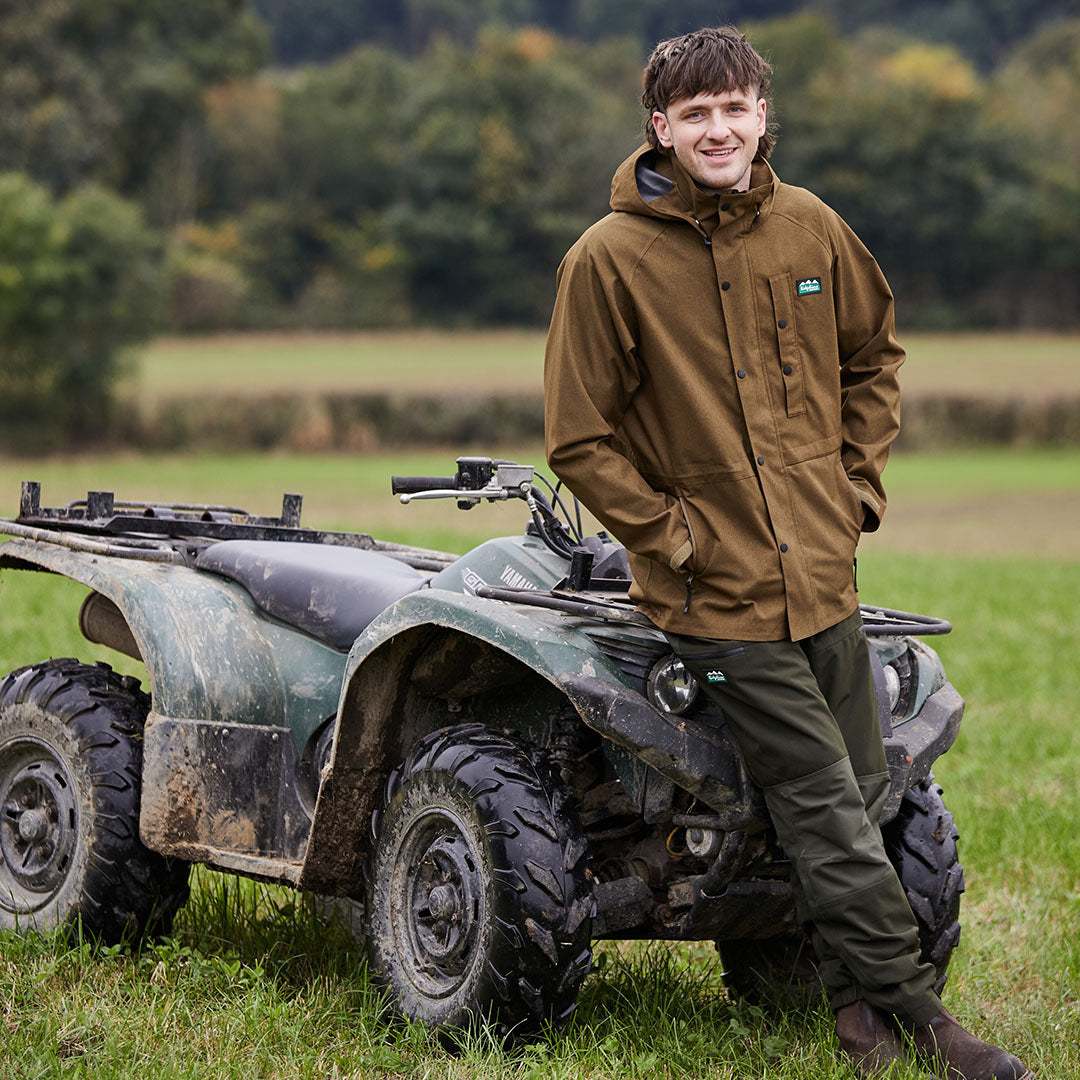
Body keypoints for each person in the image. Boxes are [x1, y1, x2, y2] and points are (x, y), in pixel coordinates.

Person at [544, 26, 1032, 1080]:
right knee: (821, 794)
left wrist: (854, 489)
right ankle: (927, 1022)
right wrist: (675, 538)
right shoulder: (606, 262)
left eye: (736, 108)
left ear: (763, 116)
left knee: (863, 788)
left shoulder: (811, 228)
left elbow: (875, 354)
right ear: (660, 130)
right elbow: (579, 436)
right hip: (711, 594)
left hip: (823, 571)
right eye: (695, 114)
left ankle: (852, 1011)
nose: (718, 129)